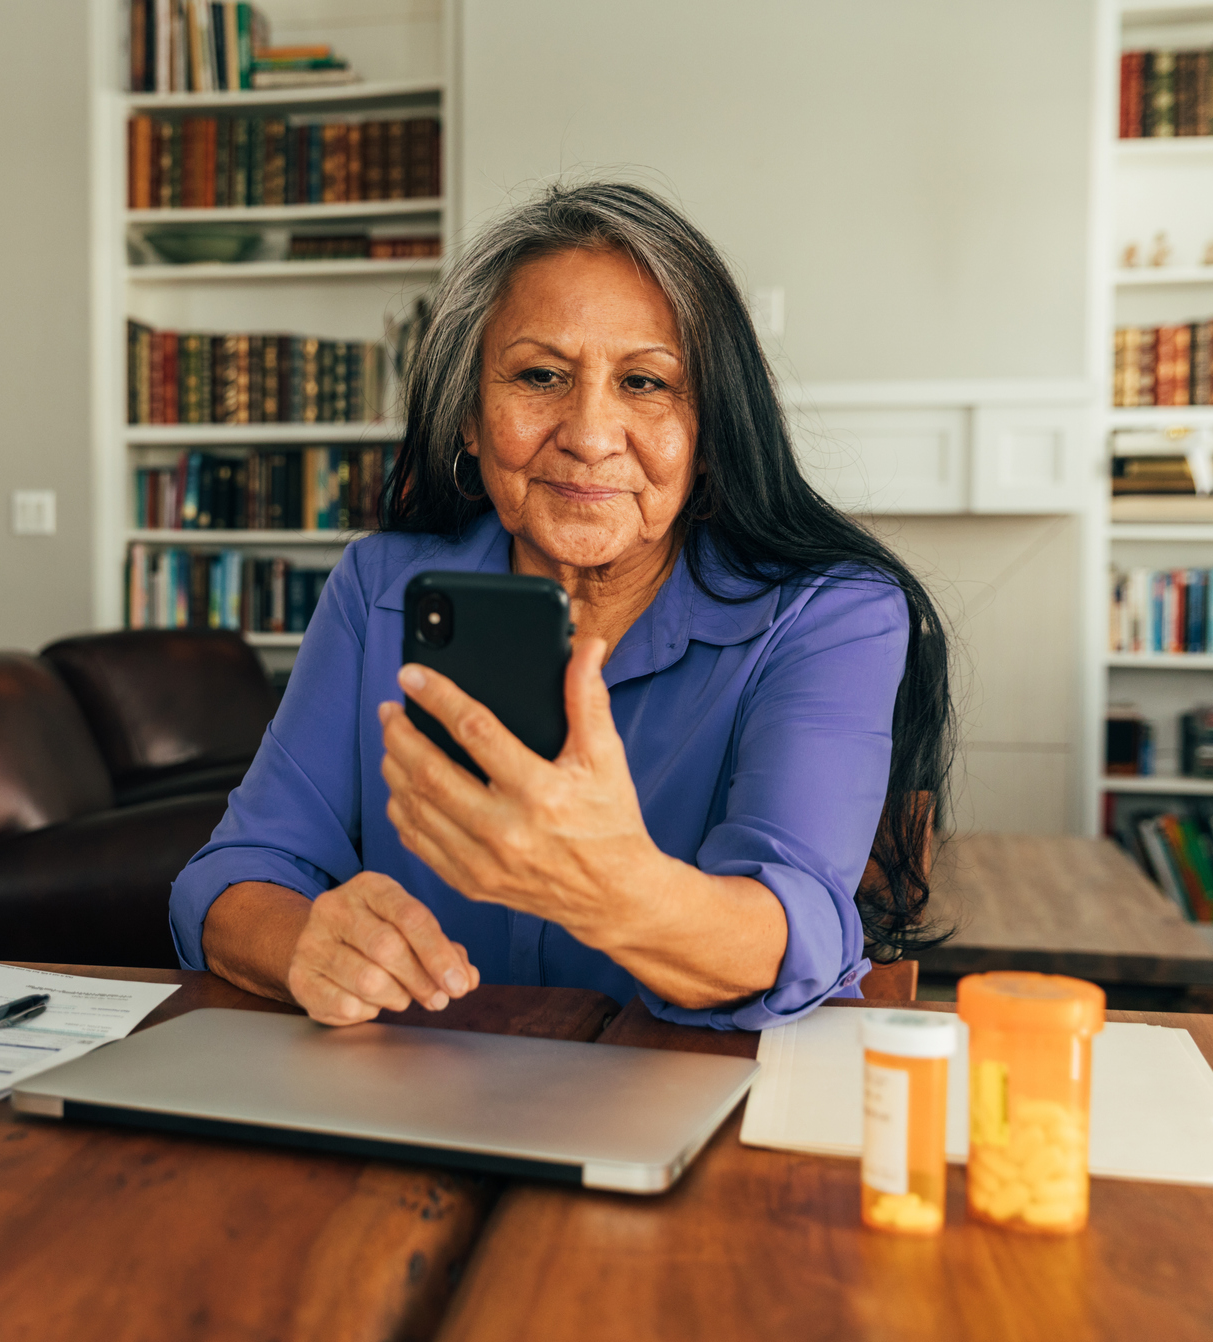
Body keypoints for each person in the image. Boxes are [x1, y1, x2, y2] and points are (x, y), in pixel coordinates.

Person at [169, 181, 953, 1031]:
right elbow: (236, 874)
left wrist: (614, 887)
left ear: (711, 427)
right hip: (416, 1094)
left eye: (645, 383)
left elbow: (792, 926)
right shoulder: (377, 590)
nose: (588, 433)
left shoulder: (830, 615)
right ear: (468, 416)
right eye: (539, 375)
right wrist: (303, 943)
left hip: (694, 1101)